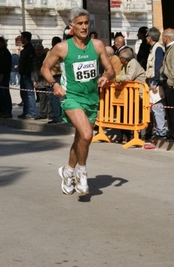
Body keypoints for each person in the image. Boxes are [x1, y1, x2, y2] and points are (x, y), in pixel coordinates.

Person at [41, 7, 114, 195]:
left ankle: (68, 171)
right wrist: (54, 85)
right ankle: (82, 173)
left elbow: (110, 69)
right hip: (71, 98)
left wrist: (107, 76)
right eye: (80, 23)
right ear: (71, 25)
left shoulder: (97, 45)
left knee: (82, 139)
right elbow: (45, 68)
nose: (84, 27)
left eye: (86, 23)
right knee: (88, 135)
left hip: (91, 99)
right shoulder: (62, 47)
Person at [144, 27, 166, 141]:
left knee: (158, 106)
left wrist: (155, 82)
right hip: (151, 79)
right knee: (154, 107)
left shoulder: (157, 48)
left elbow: (158, 66)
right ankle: (158, 130)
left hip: (154, 80)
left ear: (151, 37)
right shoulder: (153, 48)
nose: (146, 38)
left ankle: (161, 131)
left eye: (147, 36)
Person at [0, 37, 12, 118]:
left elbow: (6, 65)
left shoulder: (5, 52)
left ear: (2, 43)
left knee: (5, 94)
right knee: (0, 95)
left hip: (3, 76)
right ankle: (2, 110)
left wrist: (2, 74)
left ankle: (8, 111)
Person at [18, 31, 36, 119]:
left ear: (25, 38)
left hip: (27, 75)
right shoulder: (25, 49)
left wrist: (26, 73)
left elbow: (30, 63)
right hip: (22, 75)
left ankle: (31, 112)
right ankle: (25, 112)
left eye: (22, 37)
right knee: (24, 94)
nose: (20, 39)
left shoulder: (30, 49)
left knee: (30, 94)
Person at [46, 36, 63, 124]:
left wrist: (47, 79)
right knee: (61, 97)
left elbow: (45, 65)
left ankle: (57, 116)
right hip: (62, 76)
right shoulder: (63, 52)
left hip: (53, 77)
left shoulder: (51, 52)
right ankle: (62, 116)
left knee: (54, 98)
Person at [32, 44, 51, 120]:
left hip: (47, 82)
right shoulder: (34, 59)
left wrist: (49, 80)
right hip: (39, 82)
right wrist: (34, 80)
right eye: (36, 50)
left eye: (39, 50)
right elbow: (33, 71)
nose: (38, 52)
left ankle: (51, 114)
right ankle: (43, 114)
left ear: (42, 50)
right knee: (42, 100)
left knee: (50, 100)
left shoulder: (47, 59)